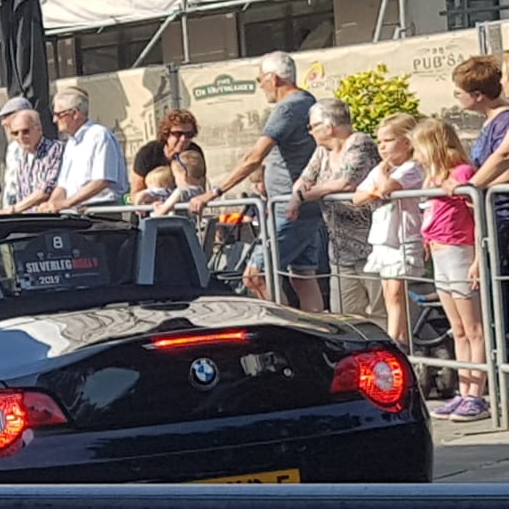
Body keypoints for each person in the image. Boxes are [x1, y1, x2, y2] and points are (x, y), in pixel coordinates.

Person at [191, 52, 322, 310]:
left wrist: (214, 192)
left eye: (260, 79)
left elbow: (254, 157)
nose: (260, 85)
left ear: (273, 78)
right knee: (302, 276)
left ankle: (286, 329)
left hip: (288, 209)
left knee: (255, 276)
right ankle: (316, 328)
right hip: (302, 205)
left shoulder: (287, 108)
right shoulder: (308, 101)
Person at [413, 118, 488, 420]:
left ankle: (476, 394)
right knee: (457, 328)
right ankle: (463, 389)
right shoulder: (432, 177)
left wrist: (478, 258)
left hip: (459, 251)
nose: (416, 156)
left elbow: (478, 214)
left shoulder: (461, 173)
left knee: (473, 328)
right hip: (440, 253)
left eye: (419, 148)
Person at [284, 98, 380, 319]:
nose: (310, 132)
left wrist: (308, 194)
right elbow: (304, 179)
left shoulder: (360, 142)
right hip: (340, 249)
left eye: (312, 126)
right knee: (345, 314)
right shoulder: (322, 151)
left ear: (328, 126)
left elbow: (347, 182)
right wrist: (296, 199)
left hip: (371, 247)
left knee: (379, 312)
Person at [352, 113, 423, 347]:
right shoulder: (381, 169)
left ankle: (396, 341)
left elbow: (386, 188)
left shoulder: (411, 168)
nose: (382, 147)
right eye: (379, 141)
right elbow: (357, 197)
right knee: (388, 294)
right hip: (383, 237)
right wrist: (375, 188)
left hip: (403, 236)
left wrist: (381, 178)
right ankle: (399, 339)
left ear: (407, 142)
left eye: (388, 141)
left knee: (396, 292)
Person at [454, 58, 509, 269]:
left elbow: (505, 159)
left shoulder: (504, 122)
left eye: (459, 93)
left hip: (503, 214)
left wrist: (474, 187)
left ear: (478, 95)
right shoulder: (491, 121)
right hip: (492, 213)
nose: (457, 97)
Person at [48, 87, 128, 210]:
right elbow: (63, 186)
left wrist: (67, 203)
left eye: (59, 115)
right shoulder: (70, 143)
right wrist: (50, 205)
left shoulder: (99, 135)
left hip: (101, 210)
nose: (54, 120)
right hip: (76, 210)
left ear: (75, 113)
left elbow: (102, 180)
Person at [0, 109, 64, 213]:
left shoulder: (54, 149)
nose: (20, 137)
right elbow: (21, 196)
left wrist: (14, 209)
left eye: (25, 131)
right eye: (15, 133)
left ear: (39, 129)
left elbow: (46, 190)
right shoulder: (22, 158)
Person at [130, 110, 204, 196]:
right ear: (166, 133)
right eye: (178, 134)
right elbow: (136, 193)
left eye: (189, 134)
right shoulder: (148, 153)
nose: (183, 139)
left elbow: (200, 187)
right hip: (152, 202)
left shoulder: (194, 153)